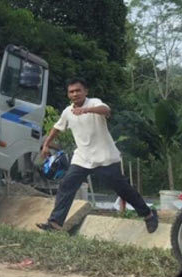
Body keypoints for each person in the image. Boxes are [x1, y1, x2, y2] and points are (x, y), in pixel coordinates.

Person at [37, 78, 158, 233]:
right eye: (71, 92)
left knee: (122, 189)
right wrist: (47, 144)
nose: (75, 94)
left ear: (85, 91)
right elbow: (57, 128)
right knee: (66, 185)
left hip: (105, 157)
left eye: (78, 90)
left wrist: (86, 110)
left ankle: (148, 214)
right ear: (68, 94)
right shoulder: (67, 112)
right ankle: (55, 223)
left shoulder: (94, 103)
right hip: (82, 158)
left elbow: (106, 110)